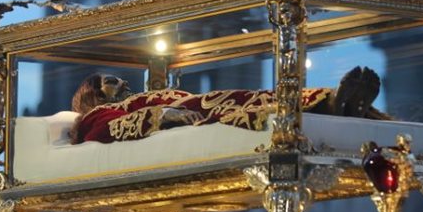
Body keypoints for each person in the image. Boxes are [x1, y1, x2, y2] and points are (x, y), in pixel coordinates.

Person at [70, 66, 390, 144]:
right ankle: (330, 106)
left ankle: (333, 103)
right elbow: (106, 129)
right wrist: (166, 114)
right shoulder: (95, 115)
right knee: (246, 111)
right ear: (95, 96)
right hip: (195, 113)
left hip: (199, 103)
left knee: (259, 97)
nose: (123, 83)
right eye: (112, 82)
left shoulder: (134, 98)